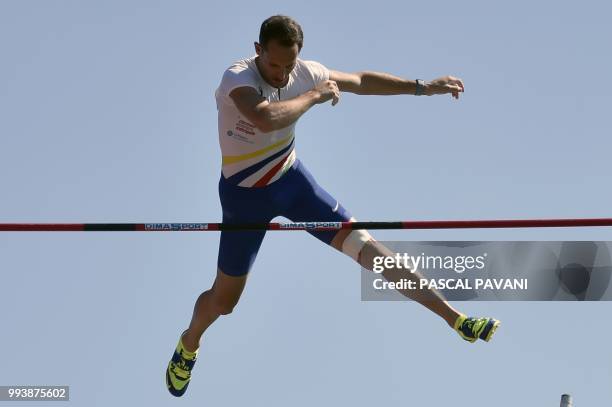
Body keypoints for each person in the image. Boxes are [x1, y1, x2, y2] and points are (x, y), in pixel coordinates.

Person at [166, 15, 500, 397]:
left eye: (289, 66)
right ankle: (189, 343)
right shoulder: (237, 78)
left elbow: (360, 81)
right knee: (224, 303)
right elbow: (263, 119)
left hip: (292, 184)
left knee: (370, 250)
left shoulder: (306, 72)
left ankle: (456, 320)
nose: (281, 74)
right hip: (243, 197)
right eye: (274, 65)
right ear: (258, 51)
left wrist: (422, 87)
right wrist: (314, 97)